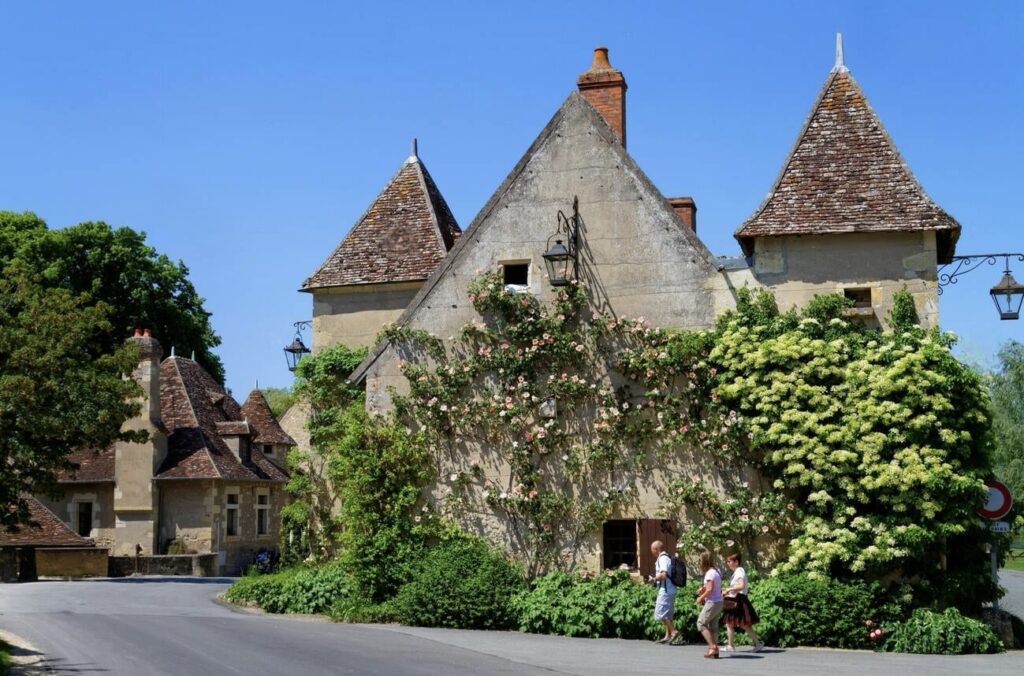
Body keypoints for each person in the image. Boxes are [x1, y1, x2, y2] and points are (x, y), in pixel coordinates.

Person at [723, 553, 764, 652]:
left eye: (729, 561)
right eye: (727, 561)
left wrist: (728, 590)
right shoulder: (737, 572)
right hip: (738, 599)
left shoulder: (739, 571)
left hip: (739, 600)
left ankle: (757, 644)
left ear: (736, 562)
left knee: (742, 624)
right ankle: (731, 646)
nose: (728, 563)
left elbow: (741, 586)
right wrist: (728, 591)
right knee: (730, 623)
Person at [648, 540, 679, 644]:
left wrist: (653, 579)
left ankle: (674, 632)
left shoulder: (663, 559)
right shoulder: (665, 558)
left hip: (666, 590)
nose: (651, 551)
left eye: (652, 549)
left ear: (656, 549)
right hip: (669, 589)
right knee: (667, 614)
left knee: (660, 613)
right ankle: (667, 635)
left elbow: (663, 575)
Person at [695, 550, 724, 659]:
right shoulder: (717, 571)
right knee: (713, 626)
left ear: (704, 561)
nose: (699, 562)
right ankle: (715, 651)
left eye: (700, 560)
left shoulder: (709, 573)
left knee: (701, 623)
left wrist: (700, 598)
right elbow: (713, 586)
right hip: (719, 601)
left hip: (712, 602)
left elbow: (710, 589)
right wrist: (703, 588)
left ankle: (713, 647)